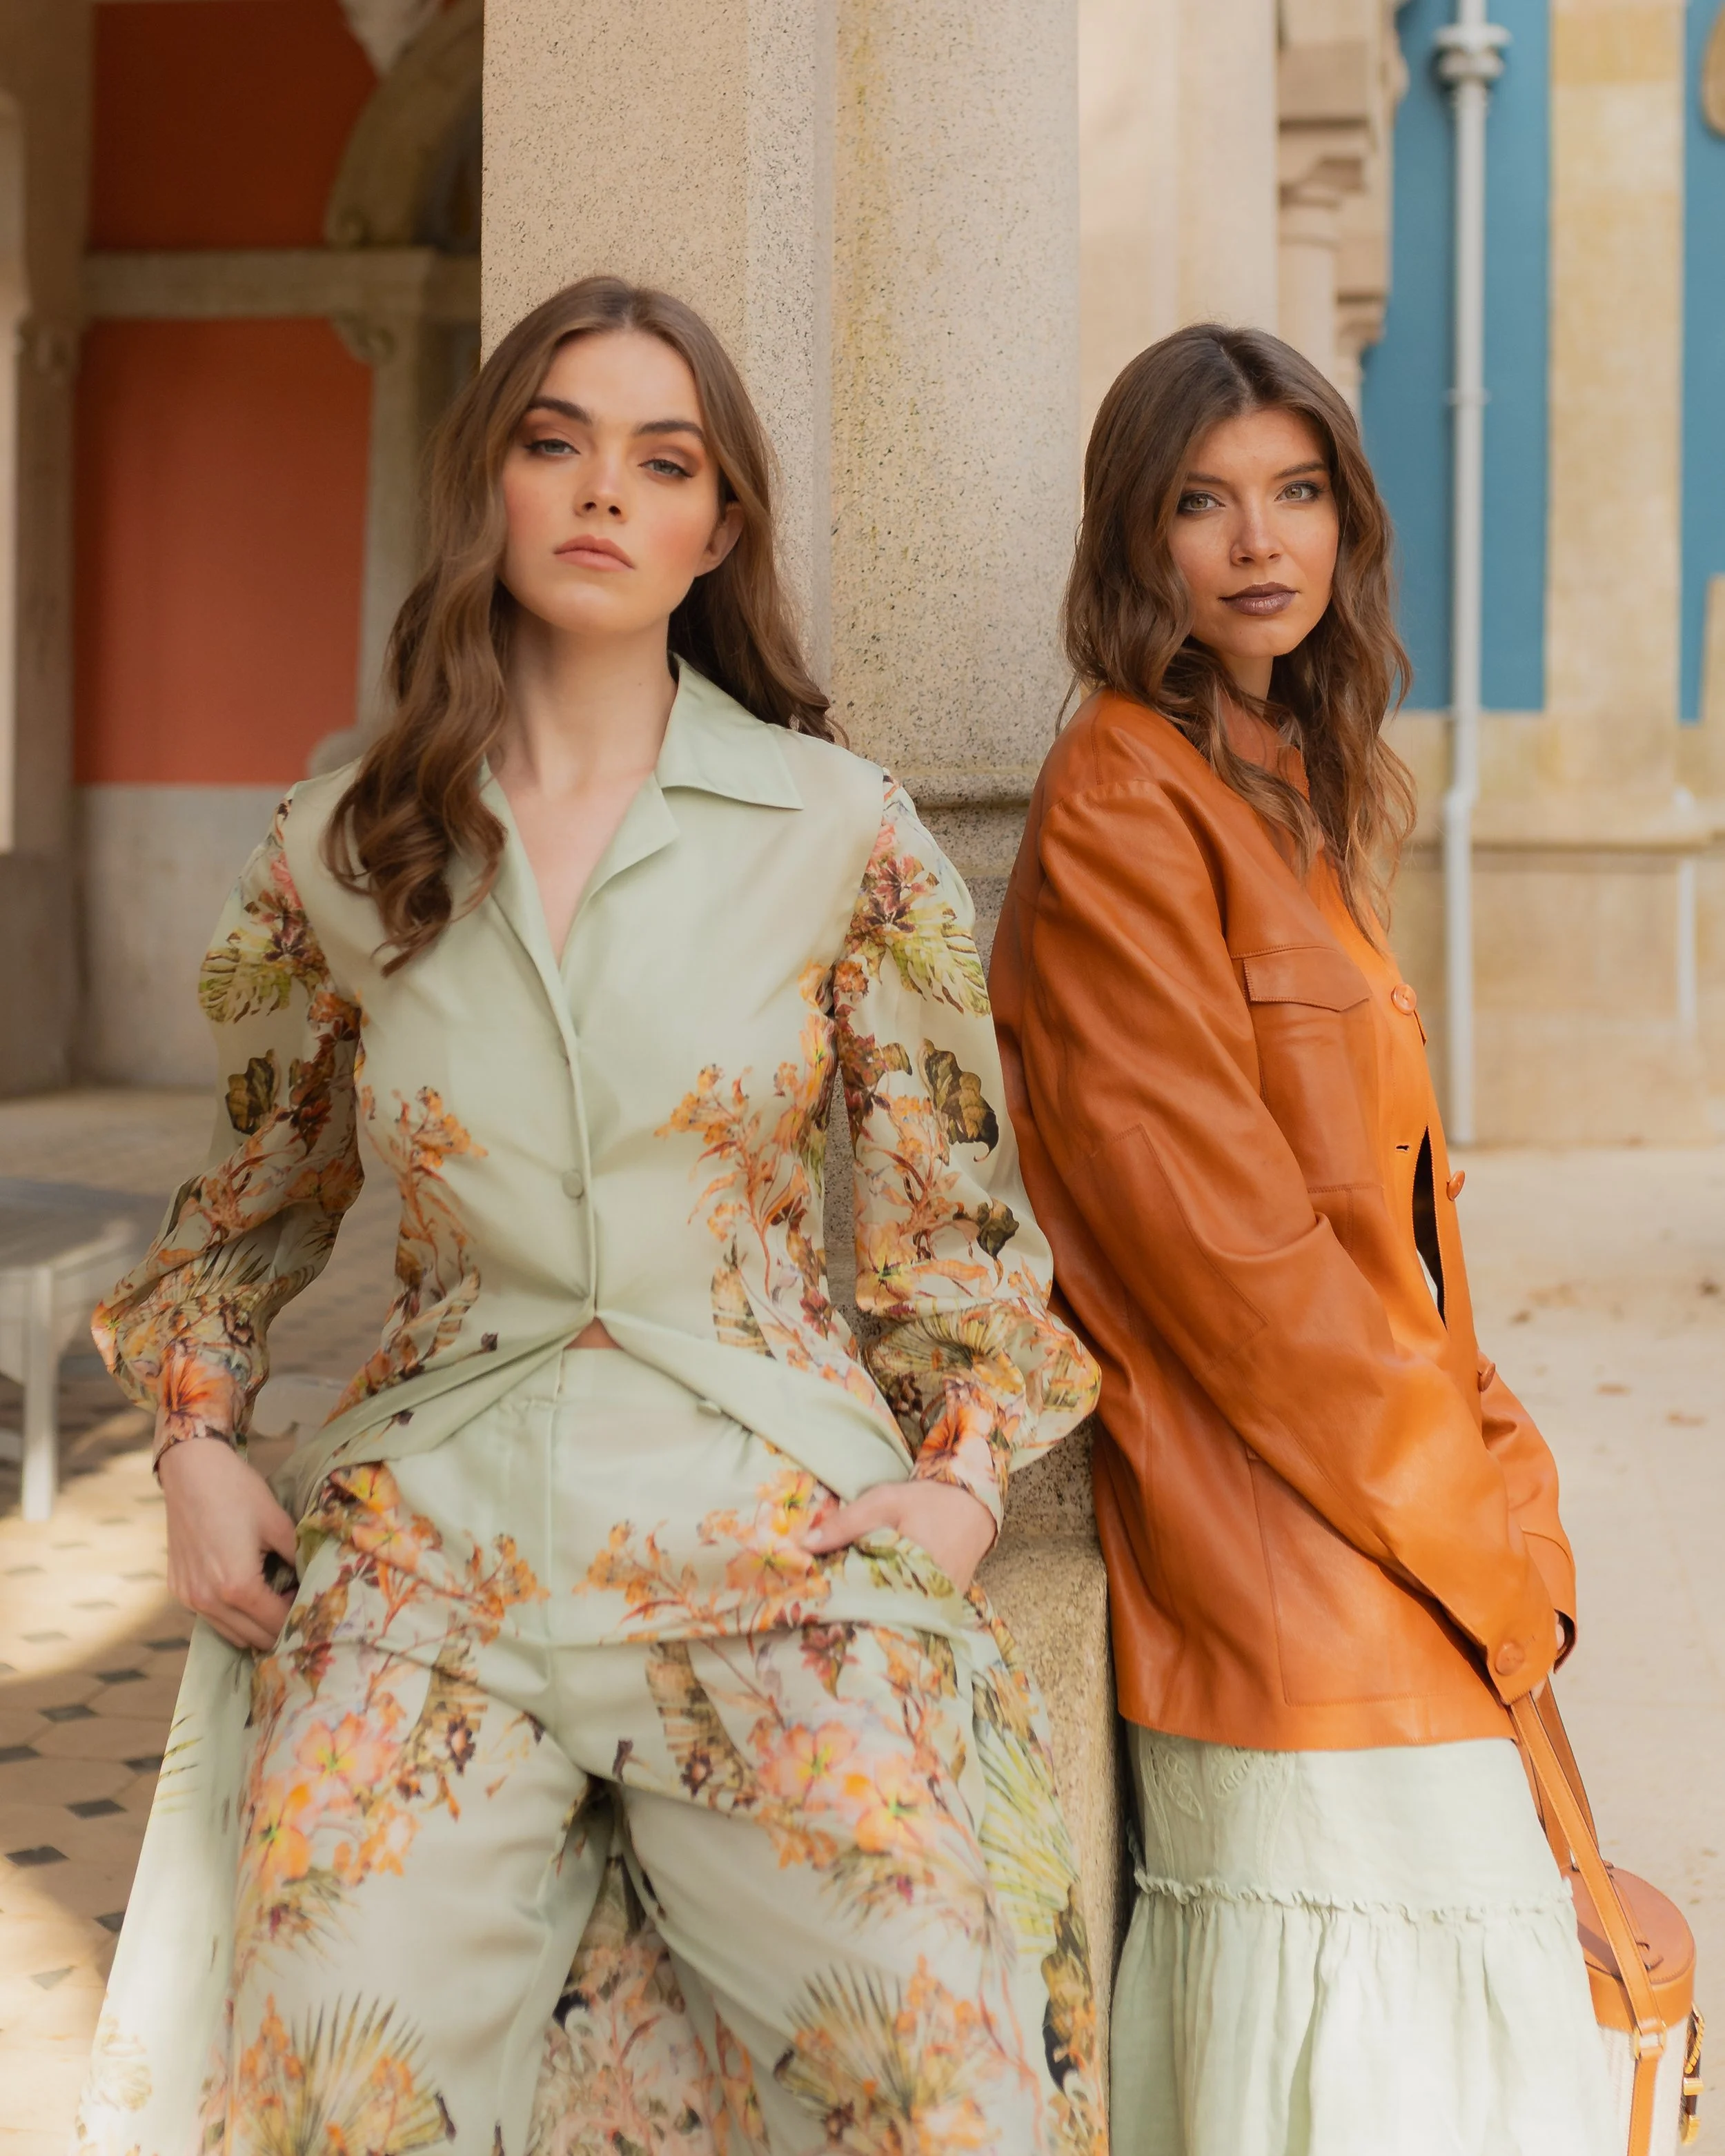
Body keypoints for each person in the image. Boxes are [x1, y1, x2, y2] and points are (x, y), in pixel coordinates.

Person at [75, 275, 1105, 2156]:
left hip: (763, 1531)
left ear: (720, 526)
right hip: (425, 1553)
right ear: (490, 485)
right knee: (326, 2072)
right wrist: (196, 1445)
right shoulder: (335, 846)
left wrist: (958, 1476)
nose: (603, 494)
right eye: (555, 444)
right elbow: (240, 1204)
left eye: (662, 458)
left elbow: (961, 1214)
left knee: (941, 2080)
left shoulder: (835, 827)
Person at [988, 324, 1610, 2156]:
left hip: (1392, 1528)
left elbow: (1411, 1249)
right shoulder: (1120, 796)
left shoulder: (1298, 788)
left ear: (1344, 523)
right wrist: (1480, 1544)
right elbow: (1239, 1272)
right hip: (1288, 1567)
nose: (1256, 541)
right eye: (1200, 501)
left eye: (1293, 491)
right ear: (1133, 540)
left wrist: (1519, 1493)